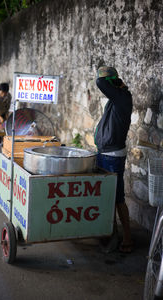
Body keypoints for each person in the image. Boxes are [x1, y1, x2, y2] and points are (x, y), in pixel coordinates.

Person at [94, 66, 133, 253]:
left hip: (113, 156)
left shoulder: (123, 98)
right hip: (105, 153)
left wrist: (115, 81)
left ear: (114, 82)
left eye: (109, 81)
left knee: (117, 198)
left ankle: (127, 238)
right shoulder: (116, 98)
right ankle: (112, 233)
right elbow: (103, 82)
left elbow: (100, 81)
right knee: (107, 197)